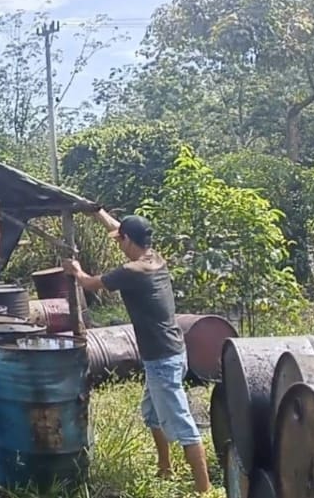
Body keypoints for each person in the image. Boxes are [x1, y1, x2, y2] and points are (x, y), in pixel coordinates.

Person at [63, 211, 212, 493]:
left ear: (129, 240)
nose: (118, 244)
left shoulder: (131, 272)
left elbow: (90, 283)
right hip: (170, 352)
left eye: (120, 241)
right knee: (151, 413)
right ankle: (165, 468)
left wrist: (75, 269)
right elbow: (121, 228)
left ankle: (204, 489)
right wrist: (98, 213)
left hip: (162, 359)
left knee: (182, 424)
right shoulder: (154, 258)